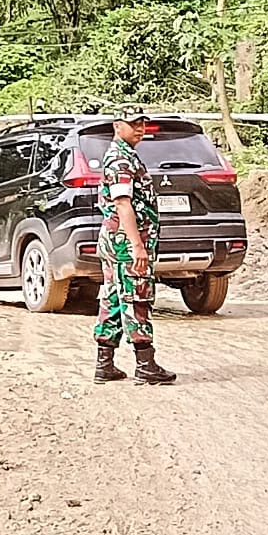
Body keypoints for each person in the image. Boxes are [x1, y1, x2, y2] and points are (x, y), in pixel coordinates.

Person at [93, 105, 176, 386]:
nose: (140, 128)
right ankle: (145, 364)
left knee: (114, 298)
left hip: (117, 242)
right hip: (126, 243)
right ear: (117, 126)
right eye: (133, 124)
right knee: (137, 297)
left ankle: (104, 364)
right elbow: (122, 203)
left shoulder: (125, 155)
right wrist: (137, 246)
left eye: (142, 123)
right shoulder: (120, 160)